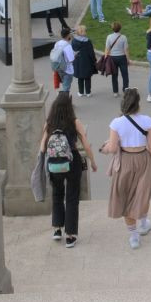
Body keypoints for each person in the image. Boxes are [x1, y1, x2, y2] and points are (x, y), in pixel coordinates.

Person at [100, 89, 151, 250]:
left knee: (126, 197)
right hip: (144, 160)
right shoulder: (147, 121)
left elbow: (112, 148)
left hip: (125, 162)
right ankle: (143, 224)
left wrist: (104, 148)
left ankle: (134, 236)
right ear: (138, 104)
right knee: (142, 195)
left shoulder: (116, 123)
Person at [38, 92, 97, 248]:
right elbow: (86, 145)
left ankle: (57, 229)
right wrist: (92, 162)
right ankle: (70, 236)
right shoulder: (74, 122)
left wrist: (42, 162)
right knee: (71, 198)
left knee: (57, 195)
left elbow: (43, 145)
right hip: (72, 163)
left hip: (54, 164)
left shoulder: (49, 122)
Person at [70, 25, 97, 97]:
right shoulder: (88, 41)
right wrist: (94, 60)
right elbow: (91, 53)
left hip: (78, 61)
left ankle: (80, 92)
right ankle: (88, 92)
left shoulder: (74, 41)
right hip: (87, 61)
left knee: (80, 77)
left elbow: (72, 51)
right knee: (87, 77)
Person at [104, 22, 129, 95]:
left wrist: (105, 57)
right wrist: (128, 59)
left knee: (114, 75)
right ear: (120, 28)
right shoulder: (123, 37)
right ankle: (125, 90)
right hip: (122, 57)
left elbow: (107, 48)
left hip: (112, 58)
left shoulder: (109, 37)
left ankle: (115, 92)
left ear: (112, 28)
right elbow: (126, 49)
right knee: (125, 75)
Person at [53, 27, 76, 92]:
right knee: (66, 87)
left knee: (64, 84)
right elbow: (71, 59)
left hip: (59, 67)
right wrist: (75, 55)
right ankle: (63, 97)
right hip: (67, 70)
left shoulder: (57, 43)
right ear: (68, 35)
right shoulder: (67, 46)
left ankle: (63, 96)